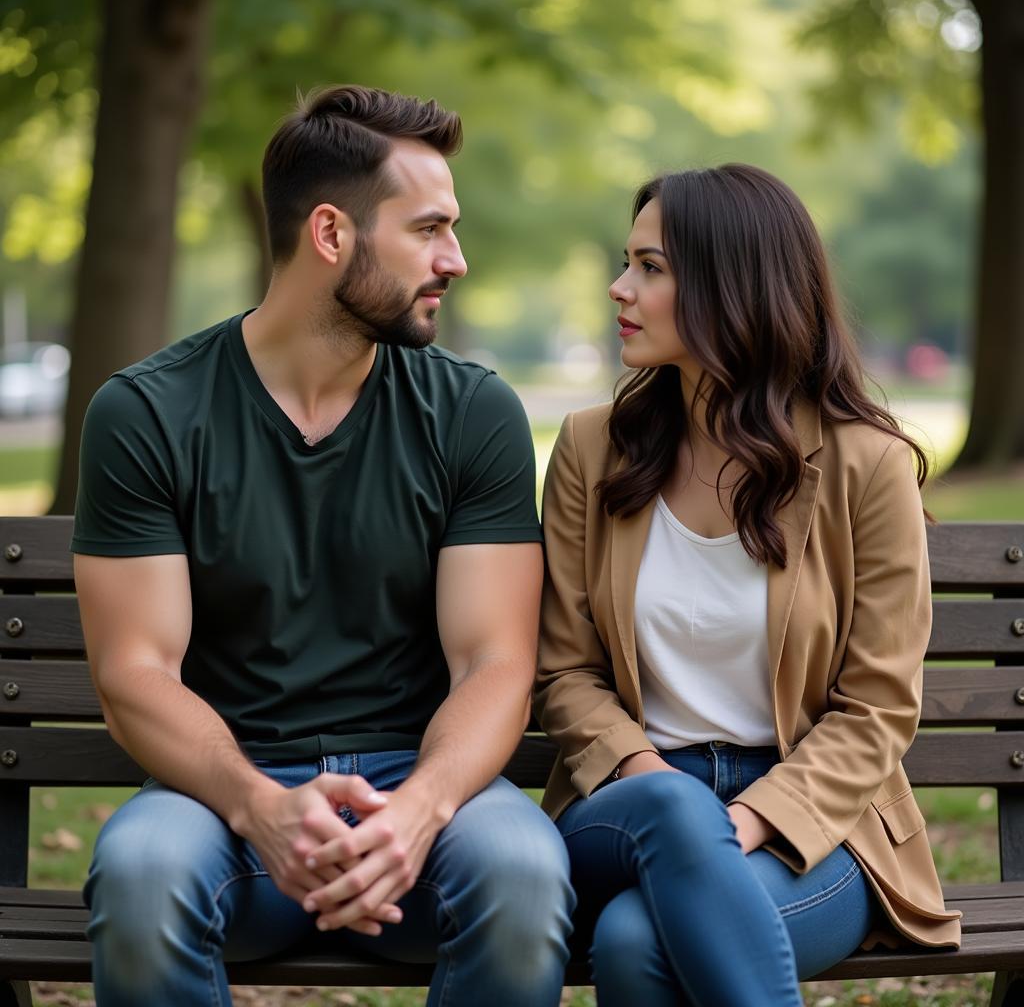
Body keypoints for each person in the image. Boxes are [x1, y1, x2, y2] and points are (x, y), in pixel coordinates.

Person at [73, 84, 573, 1007]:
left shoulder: (473, 412)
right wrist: (257, 806)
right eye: (427, 229)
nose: (455, 260)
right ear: (333, 234)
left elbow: (496, 660)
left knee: (523, 872)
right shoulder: (148, 412)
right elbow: (136, 671)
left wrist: (419, 812)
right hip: (220, 797)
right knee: (141, 875)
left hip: (420, 786)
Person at [534, 164, 961, 1006]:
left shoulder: (863, 464)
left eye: (651, 268)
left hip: (810, 824)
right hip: (629, 801)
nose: (620, 288)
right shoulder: (592, 448)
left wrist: (751, 818)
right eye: (629, 263)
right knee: (671, 823)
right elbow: (565, 672)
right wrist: (656, 781)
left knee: (632, 943)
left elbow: (878, 706)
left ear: (735, 286)